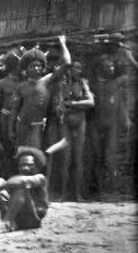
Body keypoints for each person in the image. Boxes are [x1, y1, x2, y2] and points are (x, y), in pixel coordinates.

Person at [10, 35, 71, 149]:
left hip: (36, 127)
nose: (36, 68)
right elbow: (14, 110)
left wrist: (63, 43)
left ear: (43, 68)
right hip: (21, 125)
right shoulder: (21, 86)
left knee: (34, 155)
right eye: (33, 66)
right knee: (20, 155)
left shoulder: (47, 81)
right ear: (26, 69)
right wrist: (11, 130)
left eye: (39, 66)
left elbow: (67, 63)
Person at [91, 51, 134, 195]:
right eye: (107, 67)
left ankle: (114, 188)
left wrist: (129, 57)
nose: (111, 69)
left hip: (112, 126)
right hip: (96, 125)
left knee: (110, 158)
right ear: (99, 69)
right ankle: (99, 189)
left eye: (112, 66)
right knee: (96, 157)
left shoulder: (118, 82)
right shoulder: (93, 85)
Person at [0, 147, 49, 233]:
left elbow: (23, 182)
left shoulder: (40, 178)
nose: (26, 168)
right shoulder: (16, 178)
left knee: (19, 188)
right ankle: (3, 221)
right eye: (23, 165)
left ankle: (6, 223)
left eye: (30, 165)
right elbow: (8, 199)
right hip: (18, 218)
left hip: (32, 220)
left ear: (38, 165)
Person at [55, 61, 94, 201]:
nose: (79, 71)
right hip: (65, 124)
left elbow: (91, 103)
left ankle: (77, 194)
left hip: (80, 123)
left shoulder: (83, 84)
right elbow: (60, 108)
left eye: (80, 68)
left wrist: (72, 103)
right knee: (65, 159)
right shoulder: (62, 85)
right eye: (76, 68)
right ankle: (63, 194)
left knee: (78, 159)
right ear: (69, 69)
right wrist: (78, 106)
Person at [0, 50, 22, 176]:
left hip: (20, 120)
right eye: (19, 65)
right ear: (12, 66)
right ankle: (6, 177)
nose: (21, 67)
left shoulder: (24, 83)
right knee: (6, 149)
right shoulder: (1, 84)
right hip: (5, 119)